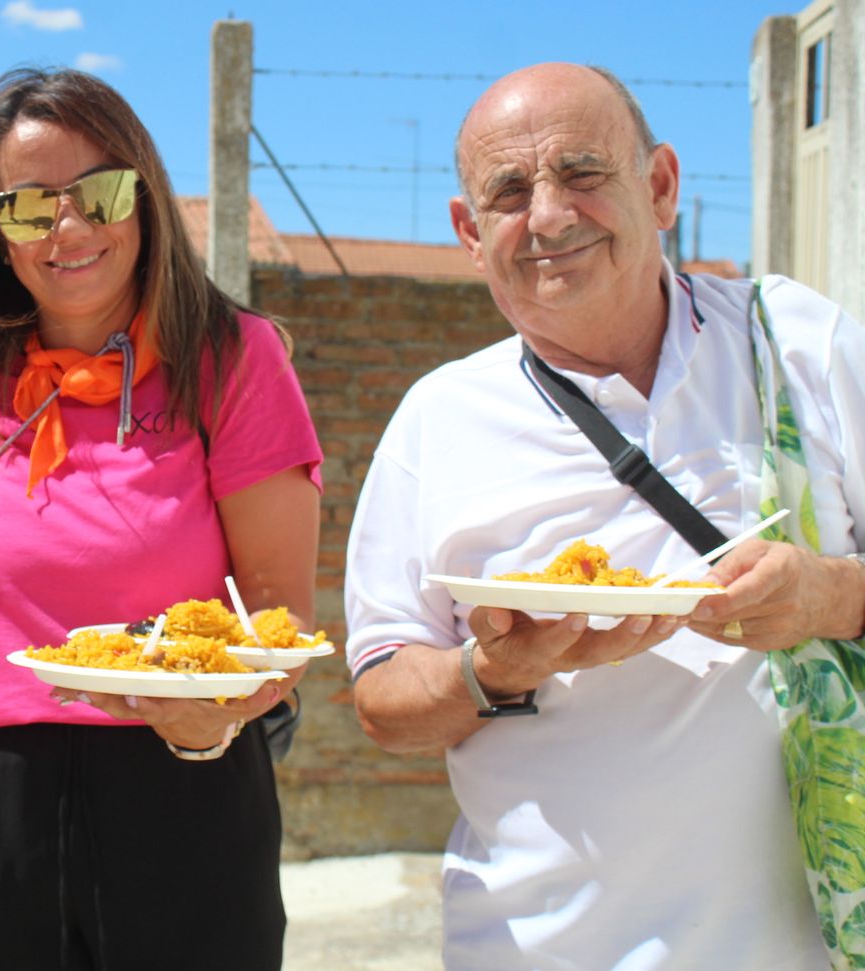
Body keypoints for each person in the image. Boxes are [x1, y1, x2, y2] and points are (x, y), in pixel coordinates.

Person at [344, 62, 865, 970]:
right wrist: (490, 671)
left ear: (659, 186)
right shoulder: (438, 420)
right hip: (535, 948)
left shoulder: (799, 346)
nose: (547, 216)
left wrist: (828, 597)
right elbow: (384, 697)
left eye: (582, 172)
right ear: (471, 233)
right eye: (509, 192)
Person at [0, 67, 322, 970]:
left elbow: (278, 620)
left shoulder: (232, 359)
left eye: (102, 191)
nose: (70, 228)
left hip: (179, 782)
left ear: (146, 198)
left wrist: (219, 717)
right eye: (28, 207)